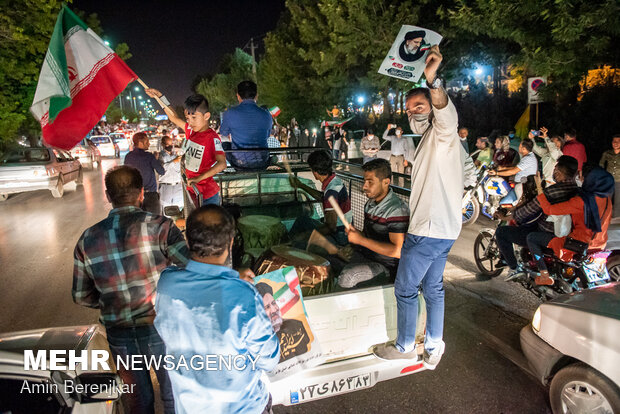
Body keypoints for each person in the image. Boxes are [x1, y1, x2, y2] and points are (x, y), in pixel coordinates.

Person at [372, 45, 463, 370]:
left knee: (406, 287)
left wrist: (433, 79)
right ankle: (435, 345)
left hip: (427, 231)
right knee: (433, 288)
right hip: (445, 230)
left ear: (433, 108)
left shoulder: (444, 133)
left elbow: (446, 112)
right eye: (410, 108)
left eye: (420, 106)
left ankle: (406, 345)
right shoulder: (427, 139)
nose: (414, 112)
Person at [73, 166, 189, 414]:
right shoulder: (162, 227)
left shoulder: (87, 238)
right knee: (175, 398)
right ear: (142, 193)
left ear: (107, 195)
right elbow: (190, 269)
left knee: (137, 404)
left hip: (120, 335)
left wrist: (111, 297)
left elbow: (81, 295)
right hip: (162, 329)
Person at [154, 205, 279, 414]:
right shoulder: (244, 296)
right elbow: (269, 360)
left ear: (188, 240)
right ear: (230, 242)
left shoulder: (167, 284)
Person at [496, 156, 579, 281]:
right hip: (570, 235)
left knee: (501, 232)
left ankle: (514, 268)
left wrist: (507, 216)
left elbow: (529, 209)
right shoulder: (577, 190)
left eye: (555, 168)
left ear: (558, 171)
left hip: (548, 233)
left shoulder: (552, 192)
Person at [527, 165, 614, 285]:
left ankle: (544, 275)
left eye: (582, 176)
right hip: (599, 246)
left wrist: (538, 188)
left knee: (532, 238)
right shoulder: (607, 200)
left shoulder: (582, 201)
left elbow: (549, 209)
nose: (580, 178)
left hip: (576, 245)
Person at [144, 89, 227, 206]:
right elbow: (173, 117)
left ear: (206, 116)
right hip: (192, 190)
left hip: (207, 195)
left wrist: (199, 178)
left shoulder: (212, 138)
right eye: (188, 119)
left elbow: (222, 164)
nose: (190, 122)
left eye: (194, 118)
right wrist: (160, 97)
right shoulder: (191, 131)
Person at [338, 159, 409, 288]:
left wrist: (360, 240)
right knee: (332, 259)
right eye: (364, 181)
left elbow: (397, 251)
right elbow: (368, 237)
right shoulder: (370, 204)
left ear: (386, 182)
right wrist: (357, 237)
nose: (364, 186)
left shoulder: (396, 210)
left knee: (348, 276)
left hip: (387, 267)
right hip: (368, 256)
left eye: (370, 182)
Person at [289, 150, 353, 246]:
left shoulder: (331, 192)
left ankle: (289, 246)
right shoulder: (334, 180)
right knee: (302, 220)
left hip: (340, 237)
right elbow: (322, 197)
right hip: (344, 230)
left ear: (315, 172)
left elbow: (331, 227)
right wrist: (300, 185)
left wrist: (306, 235)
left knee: (300, 242)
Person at [220, 80, 273, 170]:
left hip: (239, 163)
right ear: (256, 95)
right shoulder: (266, 114)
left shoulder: (229, 113)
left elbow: (223, 133)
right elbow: (267, 136)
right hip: (262, 161)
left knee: (224, 142)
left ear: (238, 96)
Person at [255, 282, 310, 362]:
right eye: (267, 307)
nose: (274, 309)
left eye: (273, 303)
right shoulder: (257, 340)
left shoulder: (297, 325)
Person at [124, 132, 165, 215]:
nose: (149, 144)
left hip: (134, 197)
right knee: (154, 222)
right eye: (147, 142)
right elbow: (161, 171)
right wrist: (156, 160)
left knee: (137, 222)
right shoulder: (149, 156)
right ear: (140, 143)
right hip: (150, 196)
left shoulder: (128, 157)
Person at [158, 135, 183, 211]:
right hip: (166, 186)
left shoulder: (176, 155)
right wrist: (173, 161)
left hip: (177, 185)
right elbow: (162, 168)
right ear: (162, 145)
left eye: (171, 144)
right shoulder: (160, 156)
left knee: (179, 210)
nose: (170, 146)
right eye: (167, 144)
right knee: (166, 210)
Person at [599, 134, 620, 217]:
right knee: (607, 200)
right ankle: (606, 217)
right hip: (609, 181)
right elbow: (601, 164)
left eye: (618, 142)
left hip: (619, 180)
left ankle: (616, 218)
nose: (616, 143)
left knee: (618, 200)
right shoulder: (607, 153)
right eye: (614, 141)